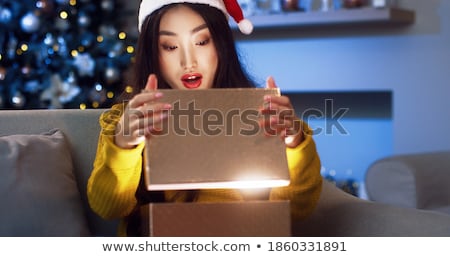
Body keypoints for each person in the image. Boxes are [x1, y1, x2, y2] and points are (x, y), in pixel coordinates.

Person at [87, 0, 323, 236]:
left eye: (201, 42)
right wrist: (124, 145)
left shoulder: (263, 116)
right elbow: (108, 207)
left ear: (221, 45)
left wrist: (294, 142)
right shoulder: (124, 121)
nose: (188, 61)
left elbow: (295, 211)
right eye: (170, 46)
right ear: (152, 53)